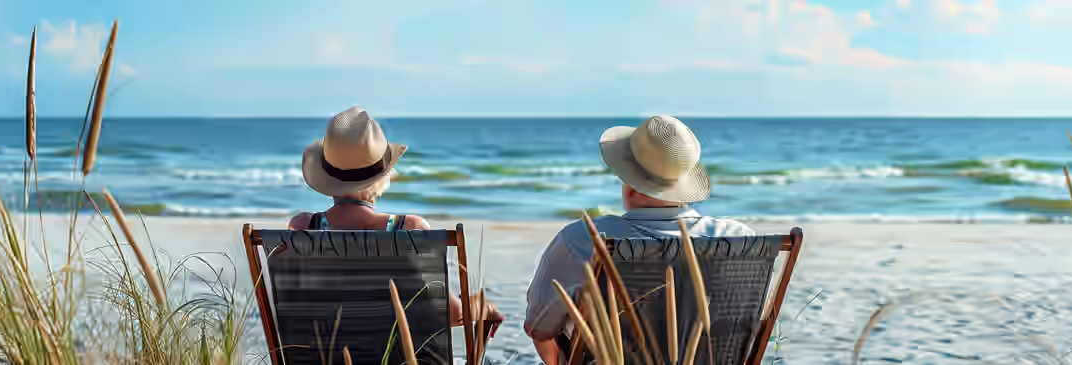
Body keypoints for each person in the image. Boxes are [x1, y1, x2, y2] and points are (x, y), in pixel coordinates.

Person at [524, 116, 755, 365]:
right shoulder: (739, 239)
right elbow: (746, 329)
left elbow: (538, 327)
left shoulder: (581, 240)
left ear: (630, 186)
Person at [290, 106, 504, 334]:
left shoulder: (303, 227)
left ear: (326, 175)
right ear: (382, 175)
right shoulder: (410, 229)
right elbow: (450, 313)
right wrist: (483, 307)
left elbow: (296, 308)